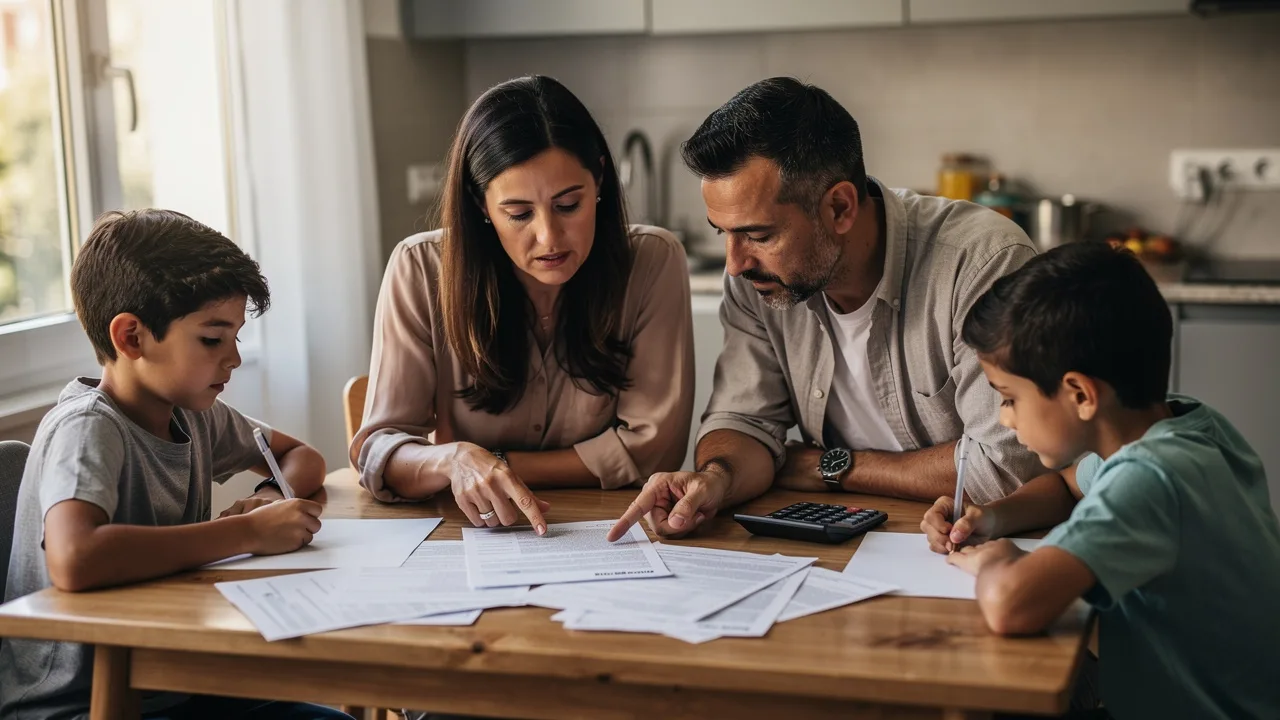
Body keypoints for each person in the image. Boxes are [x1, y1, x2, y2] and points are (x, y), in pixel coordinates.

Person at [609, 77, 1041, 542]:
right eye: (723, 233)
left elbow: (1003, 469)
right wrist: (716, 479)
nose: (734, 264)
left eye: (758, 235)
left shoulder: (980, 264)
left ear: (839, 208)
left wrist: (825, 467)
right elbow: (745, 422)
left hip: (971, 547)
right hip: (844, 536)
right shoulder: (760, 281)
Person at [0, 210, 349, 720]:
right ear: (132, 338)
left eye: (235, 336)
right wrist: (247, 532)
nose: (232, 357)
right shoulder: (87, 428)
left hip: (170, 678)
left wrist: (270, 498)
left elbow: (301, 458)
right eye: (212, 339)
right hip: (81, 702)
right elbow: (76, 559)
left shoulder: (192, 412)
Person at [923, 242, 1280, 720]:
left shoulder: (1150, 478)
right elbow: (1069, 485)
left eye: (1008, 399)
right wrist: (993, 517)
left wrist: (998, 564)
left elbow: (1011, 606)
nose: (1005, 420)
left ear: (1080, 394)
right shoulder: (1186, 427)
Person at [351, 75, 694, 532]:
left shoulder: (653, 261)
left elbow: (654, 449)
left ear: (600, 182)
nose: (549, 237)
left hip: (610, 533)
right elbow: (378, 451)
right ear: (481, 206)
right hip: (468, 534)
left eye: (568, 205)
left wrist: (491, 464)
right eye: (519, 214)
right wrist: (453, 459)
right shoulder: (420, 268)